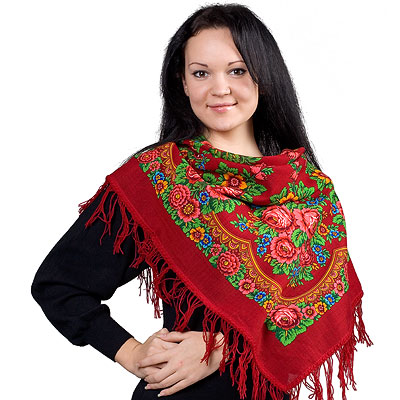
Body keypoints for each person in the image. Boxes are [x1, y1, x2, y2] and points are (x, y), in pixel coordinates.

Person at [31, 3, 372, 400]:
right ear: (183, 83)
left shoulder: (310, 189)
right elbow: (60, 284)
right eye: (200, 73)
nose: (219, 88)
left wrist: (220, 347)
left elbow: (317, 311)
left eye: (237, 70)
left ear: (263, 77)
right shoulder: (158, 178)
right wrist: (133, 354)